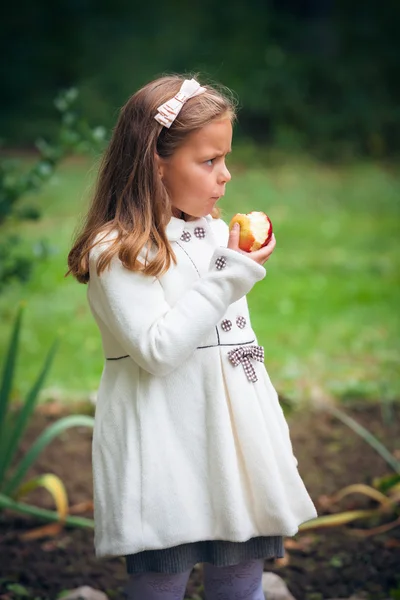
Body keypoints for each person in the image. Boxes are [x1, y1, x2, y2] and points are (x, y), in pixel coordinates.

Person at [67, 75, 317, 600]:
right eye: (208, 161)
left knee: (241, 578)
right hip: (165, 451)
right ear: (154, 161)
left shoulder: (213, 235)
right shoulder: (120, 250)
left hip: (235, 449)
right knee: (162, 579)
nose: (225, 176)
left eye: (225, 158)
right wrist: (230, 274)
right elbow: (158, 351)